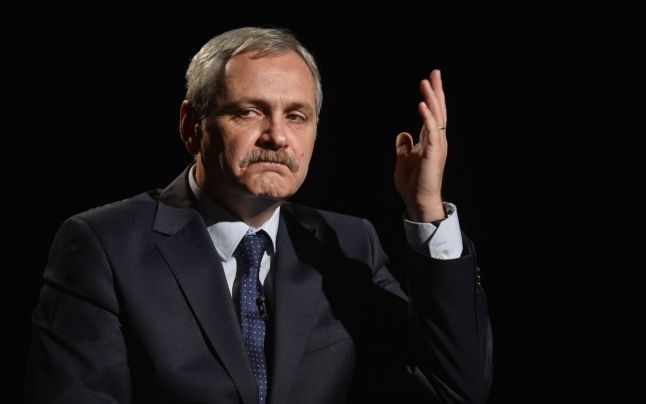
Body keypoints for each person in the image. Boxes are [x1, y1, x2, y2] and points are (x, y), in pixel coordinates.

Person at [25, 27, 493, 403]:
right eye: (249, 112)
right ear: (191, 127)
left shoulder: (349, 244)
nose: (277, 136)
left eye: (297, 116)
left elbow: (454, 387)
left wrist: (426, 209)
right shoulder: (102, 246)